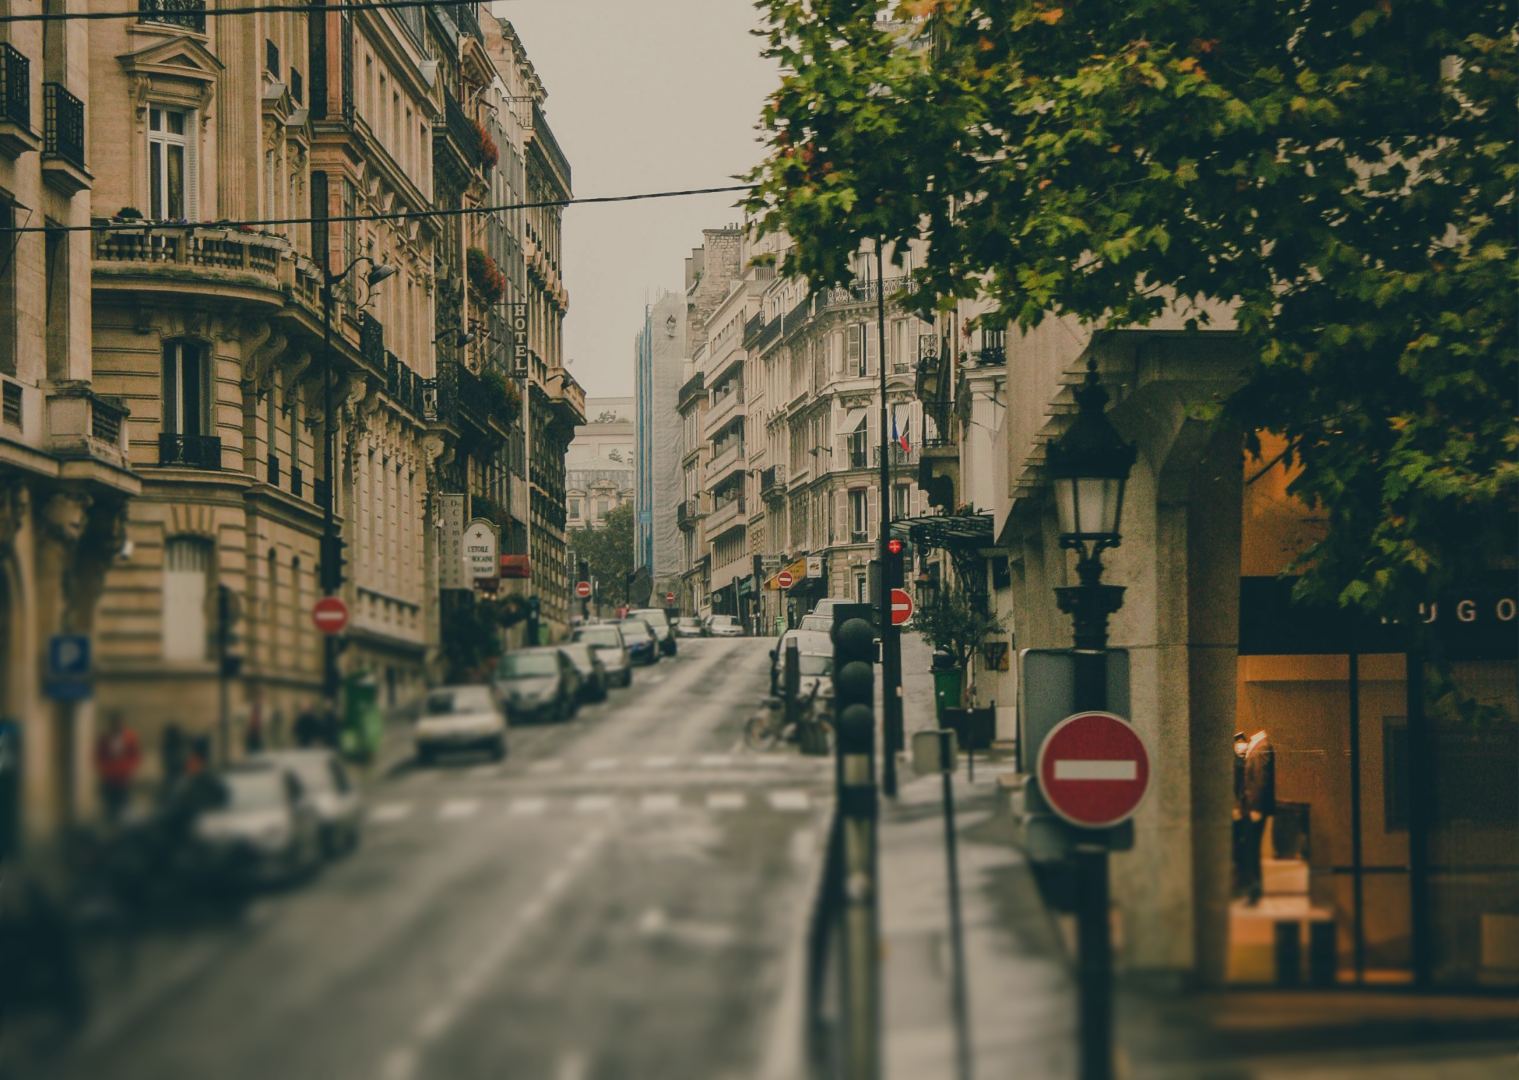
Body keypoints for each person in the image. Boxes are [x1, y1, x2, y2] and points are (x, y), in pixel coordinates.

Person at [1239, 729, 1276, 906]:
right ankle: (1253, 891)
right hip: (1251, 807)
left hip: (1254, 808)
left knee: (1252, 850)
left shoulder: (1262, 748)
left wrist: (1255, 808)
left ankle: (1254, 893)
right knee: (1250, 850)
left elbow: (1260, 780)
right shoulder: (1259, 747)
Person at [94, 712, 142, 824]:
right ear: (112, 724)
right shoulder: (105, 738)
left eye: (121, 722)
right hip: (109, 777)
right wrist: (106, 769)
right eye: (116, 722)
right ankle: (111, 822)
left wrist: (127, 768)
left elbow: (136, 756)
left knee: (123, 802)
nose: (119, 725)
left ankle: (122, 824)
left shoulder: (130, 737)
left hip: (124, 777)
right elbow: (99, 756)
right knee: (110, 802)